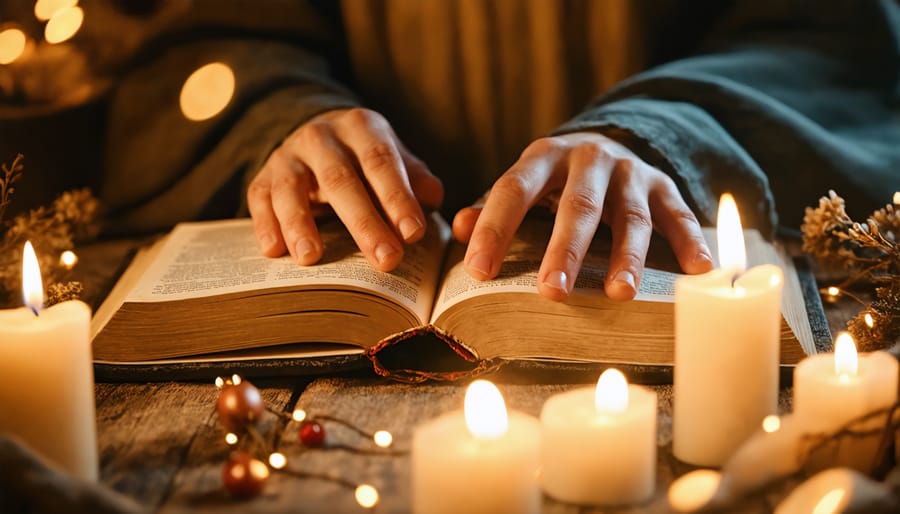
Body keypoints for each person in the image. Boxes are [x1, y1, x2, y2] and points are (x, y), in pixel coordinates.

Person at [5, 0, 898, 301]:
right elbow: (217, 37)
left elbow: (830, 43)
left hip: (653, 279)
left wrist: (653, 136)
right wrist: (280, 117)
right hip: (370, 282)